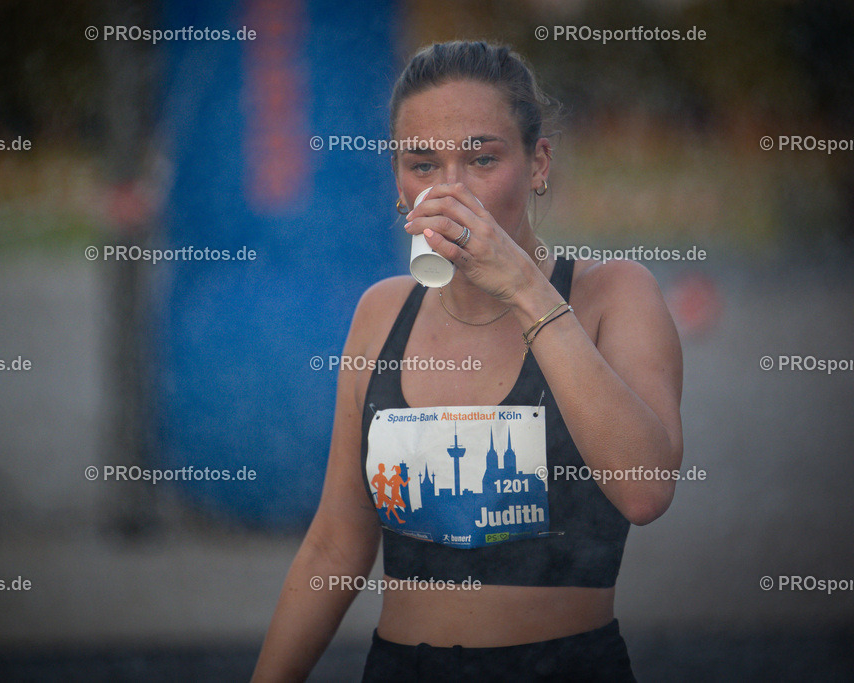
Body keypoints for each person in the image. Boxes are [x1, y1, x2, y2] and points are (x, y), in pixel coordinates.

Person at [252, 40, 683, 682]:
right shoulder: (382, 312)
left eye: (482, 159)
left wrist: (524, 287)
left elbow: (646, 491)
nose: (451, 190)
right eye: (423, 164)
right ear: (399, 181)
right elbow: (336, 542)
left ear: (538, 163)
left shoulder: (612, 294)